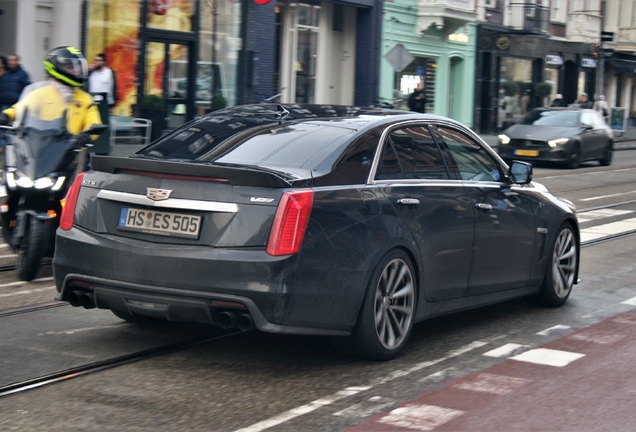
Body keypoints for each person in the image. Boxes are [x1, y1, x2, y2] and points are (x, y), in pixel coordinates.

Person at [0, 46, 102, 140]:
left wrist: (88, 136)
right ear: (57, 67)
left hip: (73, 152)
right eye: (71, 67)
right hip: (42, 149)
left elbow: (94, 122)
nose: (76, 71)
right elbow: (21, 107)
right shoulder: (41, 94)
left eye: (77, 67)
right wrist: (6, 115)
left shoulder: (85, 98)